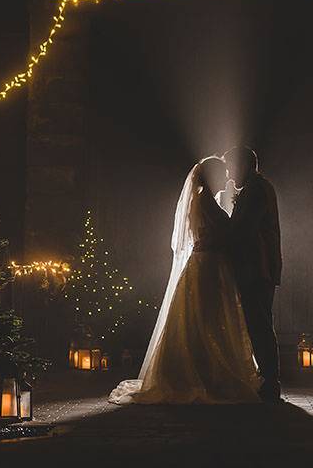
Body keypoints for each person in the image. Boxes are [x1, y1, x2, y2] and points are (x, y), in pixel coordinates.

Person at [108, 156, 260, 404]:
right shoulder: (204, 201)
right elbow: (222, 234)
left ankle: (203, 370)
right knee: (205, 319)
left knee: (205, 320)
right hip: (208, 265)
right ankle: (203, 374)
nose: (227, 177)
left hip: (208, 264)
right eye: (222, 173)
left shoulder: (204, 200)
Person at [223, 146, 283, 402]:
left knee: (259, 324)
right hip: (256, 267)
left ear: (243, 165)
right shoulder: (254, 188)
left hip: (257, 267)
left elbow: (244, 230)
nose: (228, 173)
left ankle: (270, 381)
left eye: (230, 167)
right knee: (257, 324)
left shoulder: (257, 189)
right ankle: (266, 379)